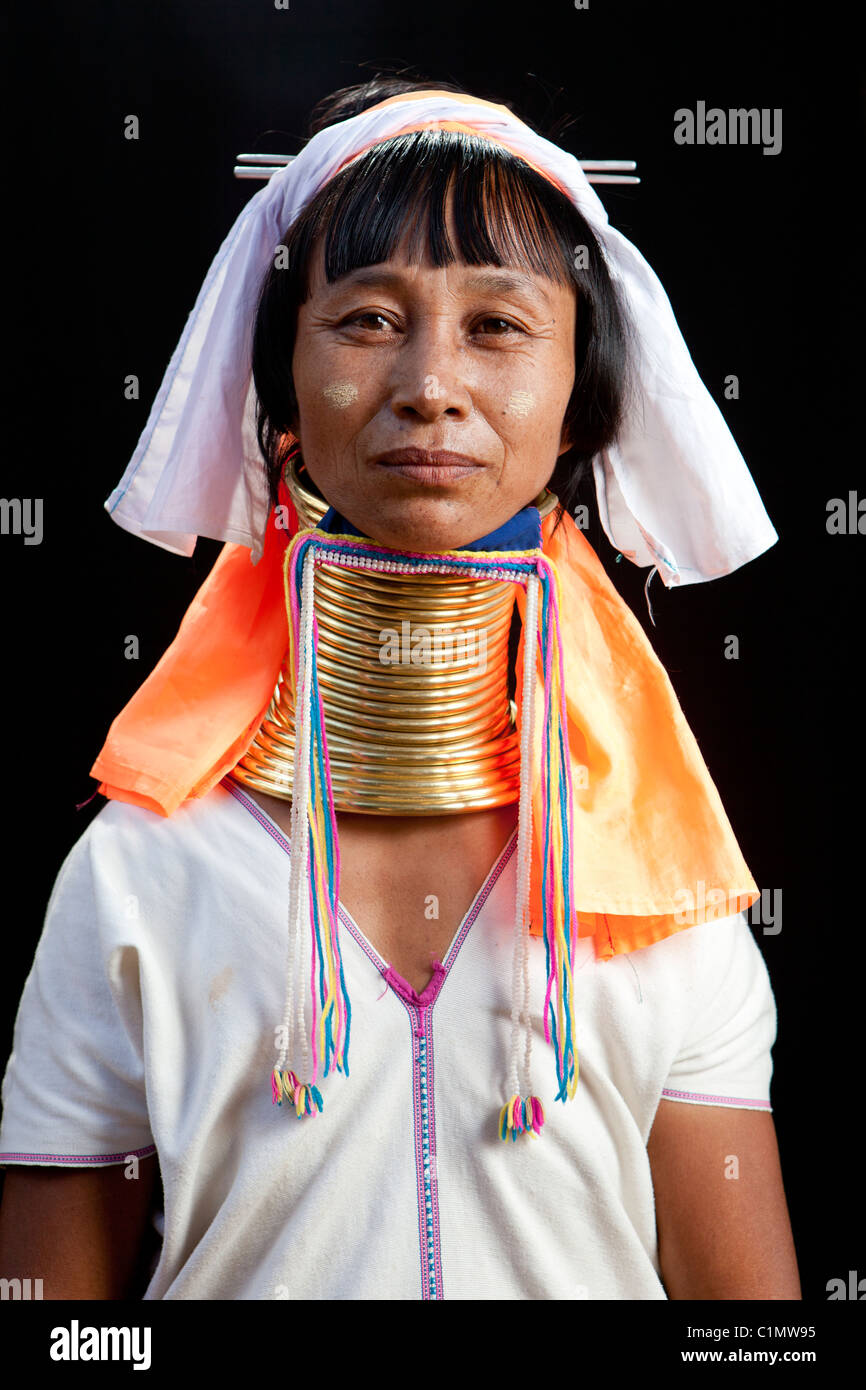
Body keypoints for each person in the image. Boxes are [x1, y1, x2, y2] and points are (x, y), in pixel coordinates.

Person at [0, 75, 800, 1300]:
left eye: (497, 324)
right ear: (279, 392)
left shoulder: (662, 889)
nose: (430, 382)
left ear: (581, 406)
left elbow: (751, 1331)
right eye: (367, 319)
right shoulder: (136, 873)